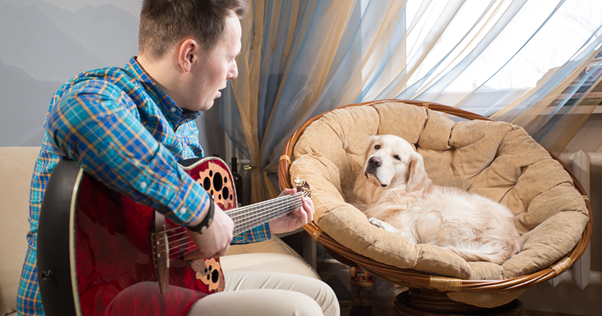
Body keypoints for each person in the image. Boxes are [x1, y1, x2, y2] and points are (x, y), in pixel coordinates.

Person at [16, 0, 340, 315]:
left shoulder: (185, 125)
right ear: (189, 55)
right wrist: (202, 212)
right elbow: (82, 116)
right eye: (230, 57)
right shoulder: (104, 92)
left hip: (161, 289)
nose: (234, 72)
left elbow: (169, 236)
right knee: (301, 310)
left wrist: (263, 222)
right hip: (90, 301)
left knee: (322, 296)